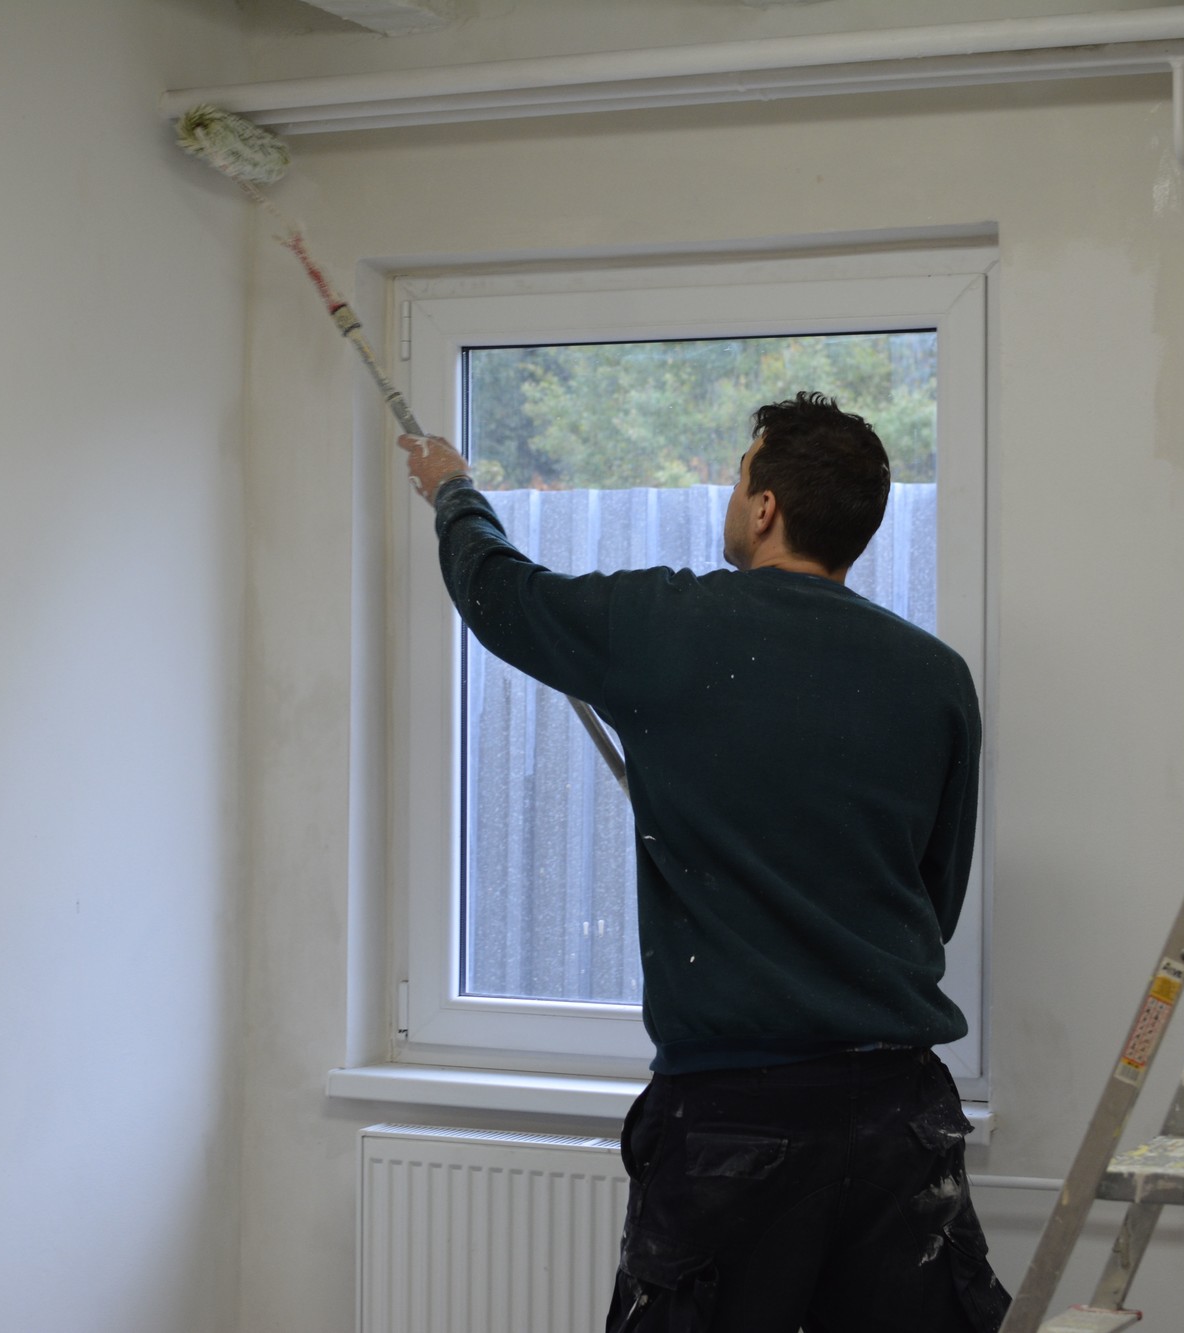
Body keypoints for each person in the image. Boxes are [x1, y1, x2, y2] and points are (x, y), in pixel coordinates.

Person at [397, 391, 1010, 1333]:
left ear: (765, 507)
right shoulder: (936, 677)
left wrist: (453, 491)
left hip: (736, 1118)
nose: (732, 496)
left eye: (738, 477)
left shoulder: (669, 624)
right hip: (899, 1116)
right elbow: (937, 893)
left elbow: (502, 597)